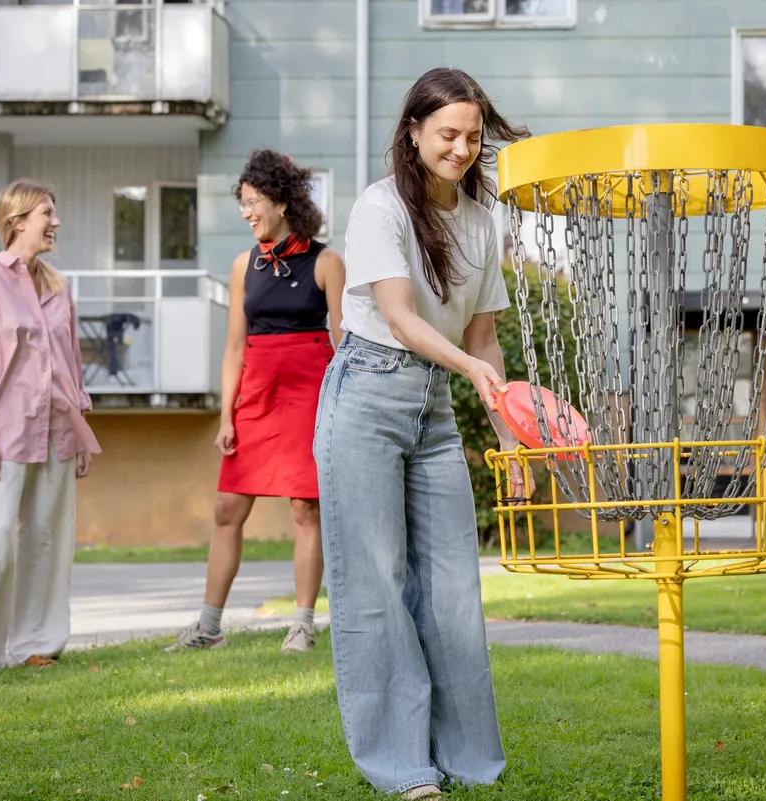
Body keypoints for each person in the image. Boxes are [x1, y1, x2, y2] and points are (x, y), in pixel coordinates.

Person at [313, 68, 531, 799]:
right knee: (376, 583)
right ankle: (405, 769)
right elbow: (401, 319)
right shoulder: (380, 208)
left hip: (434, 406)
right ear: (413, 131)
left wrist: (504, 430)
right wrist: (471, 366)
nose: (463, 148)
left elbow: (485, 337)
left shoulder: (480, 217)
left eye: (473, 135)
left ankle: (470, 759)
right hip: (367, 394)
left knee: (451, 591)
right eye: (448, 134)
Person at [166, 149, 346, 654]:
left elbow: (342, 343)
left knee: (306, 509)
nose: (246, 212)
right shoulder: (244, 265)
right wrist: (227, 414)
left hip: (310, 391)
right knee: (227, 508)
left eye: (254, 201)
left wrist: (338, 411)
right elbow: (234, 347)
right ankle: (208, 626)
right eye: (242, 203)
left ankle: (304, 623)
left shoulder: (328, 262)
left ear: (283, 202)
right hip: (258, 393)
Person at [0, 178, 101, 678]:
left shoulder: (59, 287)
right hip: (7, 433)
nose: (55, 222)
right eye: (46, 214)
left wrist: (80, 432)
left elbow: (71, 366)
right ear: (17, 222)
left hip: (59, 430)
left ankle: (36, 643)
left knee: (46, 540)